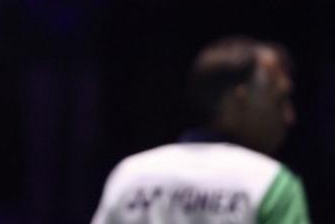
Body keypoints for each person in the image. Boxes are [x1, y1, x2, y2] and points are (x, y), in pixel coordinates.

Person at [92, 35, 309, 224]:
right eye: (279, 100)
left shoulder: (130, 175)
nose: (289, 117)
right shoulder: (270, 182)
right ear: (240, 100)